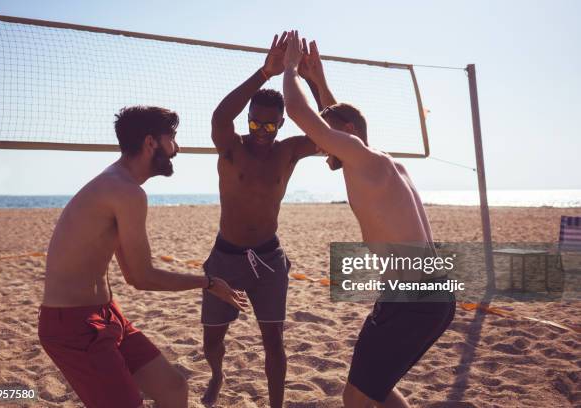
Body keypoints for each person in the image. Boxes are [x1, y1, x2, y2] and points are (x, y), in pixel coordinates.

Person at [282, 31, 456, 408]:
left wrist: (290, 67)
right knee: (369, 392)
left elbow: (300, 114)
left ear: (345, 136)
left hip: (415, 299)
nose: (319, 147)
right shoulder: (378, 160)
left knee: (358, 397)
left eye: (326, 138)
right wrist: (318, 81)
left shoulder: (362, 157)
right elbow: (338, 118)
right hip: (425, 294)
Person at [38, 106, 248, 408]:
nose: (177, 147)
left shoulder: (121, 186)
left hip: (107, 313)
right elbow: (141, 277)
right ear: (151, 143)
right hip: (72, 325)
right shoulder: (125, 191)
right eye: (172, 138)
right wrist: (209, 282)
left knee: (174, 388)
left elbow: (131, 274)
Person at [201, 31, 321, 408]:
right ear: (249, 120)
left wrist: (313, 82)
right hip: (225, 257)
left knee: (274, 339)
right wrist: (265, 73)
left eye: (271, 126)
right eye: (257, 123)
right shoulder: (231, 148)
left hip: (269, 258)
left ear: (282, 124)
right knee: (212, 340)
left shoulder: (287, 152)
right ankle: (218, 375)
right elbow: (221, 115)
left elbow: (330, 131)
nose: (262, 132)